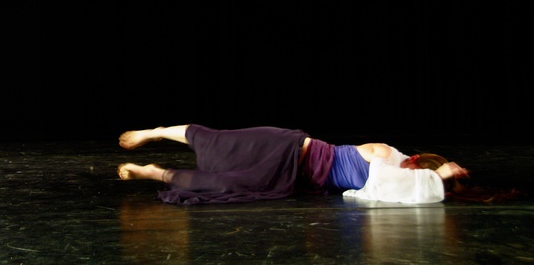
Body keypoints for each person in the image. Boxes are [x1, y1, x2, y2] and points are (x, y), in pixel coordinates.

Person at [117, 124, 470, 205]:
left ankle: (153, 172)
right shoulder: (387, 156)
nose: (418, 179)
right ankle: (156, 132)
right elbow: (390, 180)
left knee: (222, 185)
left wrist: (442, 179)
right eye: (421, 173)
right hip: (288, 147)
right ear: (415, 162)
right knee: (217, 140)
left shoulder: (403, 179)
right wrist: (438, 174)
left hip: (289, 179)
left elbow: (397, 191)